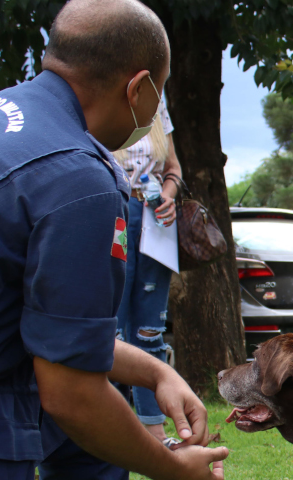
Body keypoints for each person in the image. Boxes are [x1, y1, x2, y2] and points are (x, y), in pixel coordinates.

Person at [0, 2, 228, 480]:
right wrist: (168, 468)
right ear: (139, 87)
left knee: (96, 449)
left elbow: (60, 333)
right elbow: (71, 393)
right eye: (161, 95)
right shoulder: (75, 177)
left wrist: (153, 368)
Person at [112, 93, 181, 447]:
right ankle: (107, 427)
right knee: (112, 329)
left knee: (149, 330)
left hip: (154, 220)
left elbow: (173, 170)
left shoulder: (157, 106)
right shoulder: (100, 99)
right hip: (112, 213)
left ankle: (154, 431)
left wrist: (168, 195)